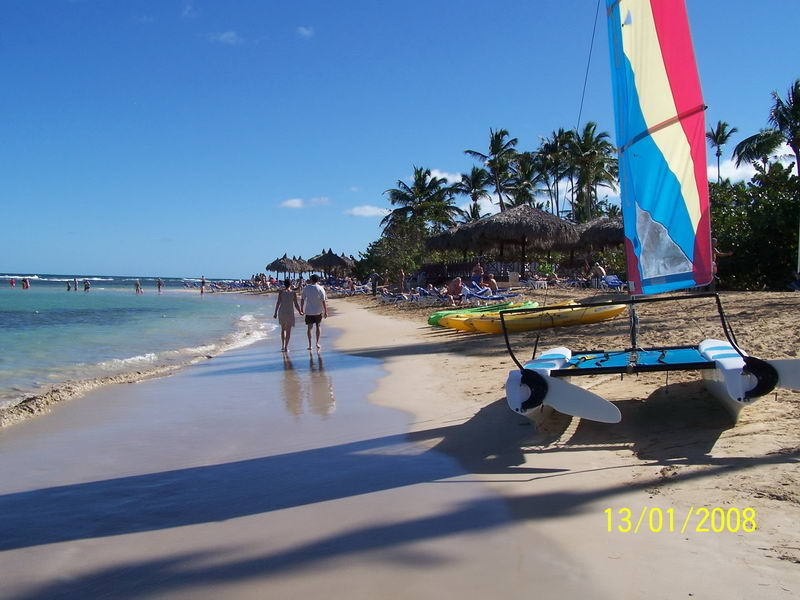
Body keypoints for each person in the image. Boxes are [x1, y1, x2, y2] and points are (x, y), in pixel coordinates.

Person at [273, 278, 303, 352]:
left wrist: (275, 312)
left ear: (284, 284)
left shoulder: (281, 292)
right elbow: (296, 304)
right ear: (290, 284)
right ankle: (286, 347)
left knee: (283, 329)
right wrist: (300, 312)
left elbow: (278, 302)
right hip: (290, 312)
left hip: (282, 312)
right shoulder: (293, 293)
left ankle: (283, 345)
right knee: (288, 330)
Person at [300, 274, 328, 350]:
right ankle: (317, 343)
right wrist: (326, 311)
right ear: (318, 280)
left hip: (309, 311)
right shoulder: (321, 288)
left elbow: (302, 299)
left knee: (309, 328)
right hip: (318, 311)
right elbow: (323, 301)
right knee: (318, 326)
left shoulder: (306, 288)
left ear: (311, 280)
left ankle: (310, 345)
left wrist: (301, 309)